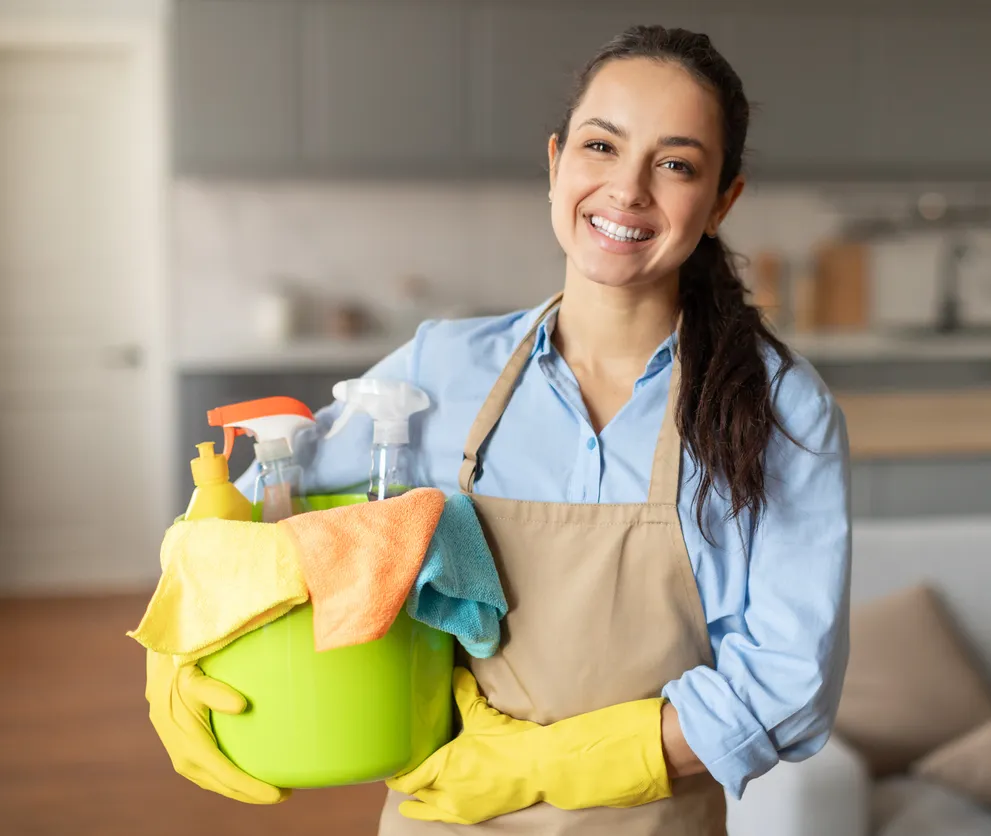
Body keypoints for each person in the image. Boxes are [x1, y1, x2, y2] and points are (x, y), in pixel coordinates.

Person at [157, 24, 852, 835]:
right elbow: (244, 530)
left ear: (722, 199)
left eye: (675, 163)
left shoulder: (778, 410)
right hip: (446, 816)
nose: (627, 189)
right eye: (602, 146)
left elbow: (788, 686)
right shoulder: (440, 371)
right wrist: (173, 650)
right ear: (556, 163)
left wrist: (550, 765)